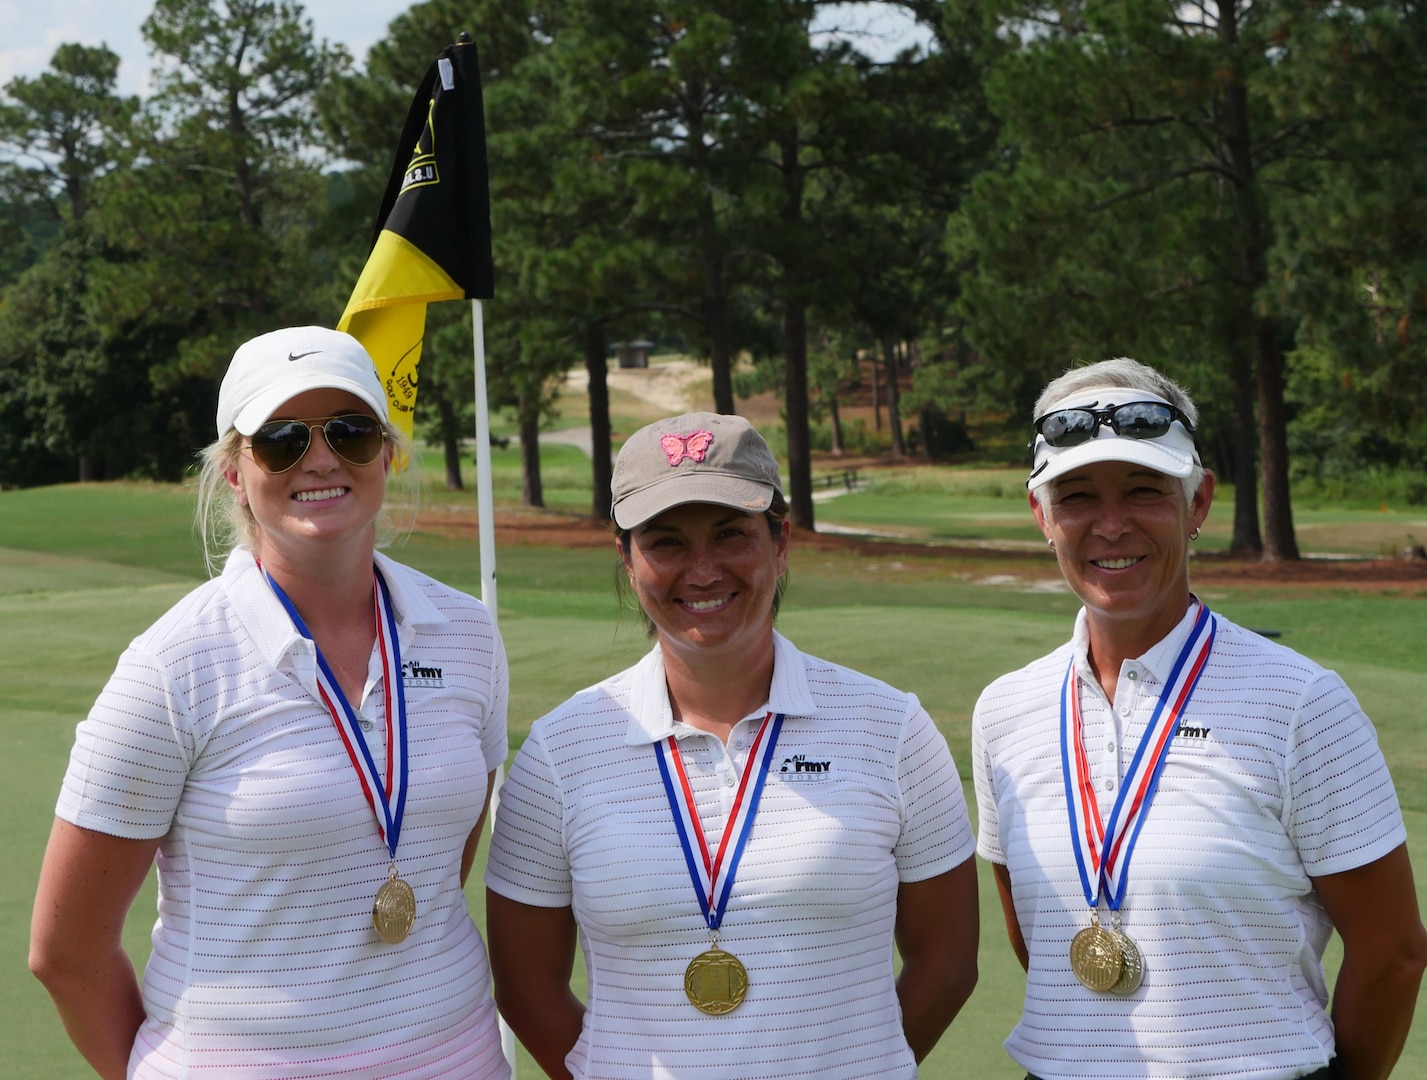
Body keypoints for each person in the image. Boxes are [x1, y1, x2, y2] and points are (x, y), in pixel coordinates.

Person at [30, 326, 511, 1079]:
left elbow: (441, 861)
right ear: (233, 469)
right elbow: (65, 953)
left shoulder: (467, 634)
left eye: (350, 432)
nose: (320, 459)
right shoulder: (171, 666)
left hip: (457, 1059)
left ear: (387, 451)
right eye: (282, 439)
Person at [485, 411, 979, 1079]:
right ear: (626, 560)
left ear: (780, 541)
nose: (702, 570)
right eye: (665, 543)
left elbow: (946, 965)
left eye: (730, 535)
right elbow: (527, 990)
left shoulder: (890, 728)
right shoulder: (558, 751)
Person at [972, 357, 1427, 1080]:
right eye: (1077, 495)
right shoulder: (1004, 709)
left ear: (1198, 501)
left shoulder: (1299, 701)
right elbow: (1038, 934)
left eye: (1145, 490)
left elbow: (1393, 954)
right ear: (1040, 515)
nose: (1110, 525)